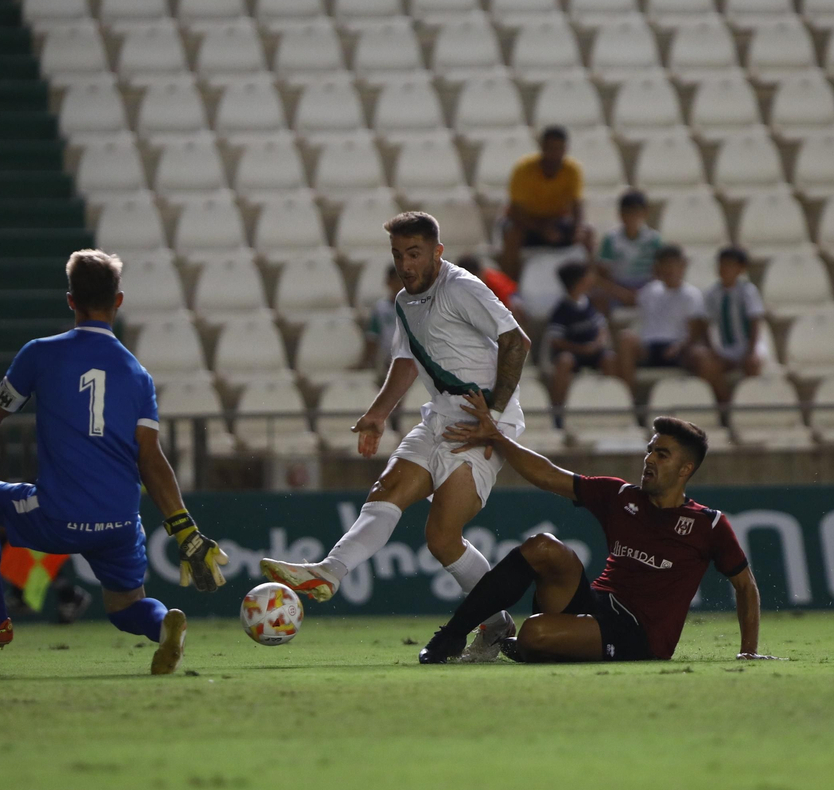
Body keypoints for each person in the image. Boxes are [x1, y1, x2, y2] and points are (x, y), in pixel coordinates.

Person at [0, 250, 226, 675]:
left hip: (57, 514)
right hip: (119, 522)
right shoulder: (138, 375)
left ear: (70, 300)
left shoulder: (40, 354)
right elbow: (151, 458)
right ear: (118, 301)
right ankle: (162, 625)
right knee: (125, 606)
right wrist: (184, 530)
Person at [260, 212, 532, 662]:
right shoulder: (405, 301)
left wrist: (495, 417)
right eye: (398, 255)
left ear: (437, 252)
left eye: (414, 254)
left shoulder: (461, 287)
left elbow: (516, 341)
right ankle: (330, 570)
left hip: (483, 425)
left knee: (442, 538)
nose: (405, 265)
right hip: (439, 418)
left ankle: (498, 625)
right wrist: (377, 413)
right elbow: (407, 360)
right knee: (385, 492)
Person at [421, 394, 780, 665]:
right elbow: (548, 475)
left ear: (685, 469)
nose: (649, 458)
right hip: (597, 604)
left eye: (662, 454)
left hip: (639, 634)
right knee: (543, 546)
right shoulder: (621, 495)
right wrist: (497, 437)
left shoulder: (708, 523)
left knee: (535, 632)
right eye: (650, 450)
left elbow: (745, 586)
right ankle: (451, 636)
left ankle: (542, 645)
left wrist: (748, 651)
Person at [616, 244, 725, 396]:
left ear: (682, 266)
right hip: (649, 347)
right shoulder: (649, 291)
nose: (670, 269)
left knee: (703, 358)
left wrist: (679, 347)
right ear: (658, 267)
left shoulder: (692, 295)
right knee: (625, 338)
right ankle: (628, 399)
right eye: (665, 264)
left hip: (678, 348)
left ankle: (704, 399)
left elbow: (695, 331)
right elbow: (628, 299)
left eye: (674, 265)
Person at [500, 125, 593, 280]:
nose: (554, 154)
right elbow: (515, 211)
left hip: (557, 222)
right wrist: (541, 229)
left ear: (565, 149)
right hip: (527, 223)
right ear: (542, 148)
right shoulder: (523, 169)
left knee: (587, 233)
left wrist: (577, 229)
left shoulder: (572, 170)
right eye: (550, 148)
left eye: (559, 149)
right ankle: (510, 286)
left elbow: (577, 205)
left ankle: (584, 283)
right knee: (512, 235)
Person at [545, 261, 619, 417]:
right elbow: (556, 340)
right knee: (564, 361)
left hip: (593, 352)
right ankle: (557, 412)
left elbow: (602, 328)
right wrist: (582, 349)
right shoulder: (561, 309)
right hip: (573, 353)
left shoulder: (590, 303)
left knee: (610, 359)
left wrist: (597, 344)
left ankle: (614, 404)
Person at [695, 246, 767, 401]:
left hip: (748, 345)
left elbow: (754, 322)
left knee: (753, 364)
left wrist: (750, 351)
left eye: (729, 265)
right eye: (721, 264)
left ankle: (749, 401)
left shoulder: (748, 291)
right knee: (709, 367)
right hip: (726, 347)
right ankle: (726, 403)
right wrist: (712, 350)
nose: (724, 269)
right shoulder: (712, 294)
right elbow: (705, 324)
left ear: (741, 269)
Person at [594, 188, 662, 311]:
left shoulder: (654, 239)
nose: (631, 217)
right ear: (620, 214)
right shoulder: (611, 239)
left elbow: (659, 272)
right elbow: (602, 275)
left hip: (646, 287)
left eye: (636, 212)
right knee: (598, 296)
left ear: (645, 213)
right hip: (618, 287)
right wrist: (622, 293)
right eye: (627, 212)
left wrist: (642, 293)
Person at [364, 263, 405, 373]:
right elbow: (372, 338)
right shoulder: (380, 309)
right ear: (388, 282)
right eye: (396, 280)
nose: (400, 284)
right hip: (386, 359)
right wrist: (367, 361)